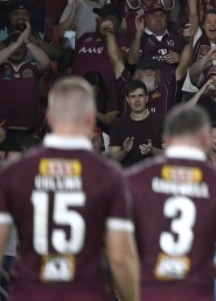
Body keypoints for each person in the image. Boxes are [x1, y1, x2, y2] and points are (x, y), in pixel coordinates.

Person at [0, 77, 140, 300]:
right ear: (91, 118)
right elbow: (121, 258)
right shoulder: (109, 175)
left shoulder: (16, 171)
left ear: (49, 117)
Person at [125, 104, 216, 299]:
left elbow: (118, 254)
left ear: (165, 139)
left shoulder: (134, 179)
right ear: (206, 138)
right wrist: (204, 272)